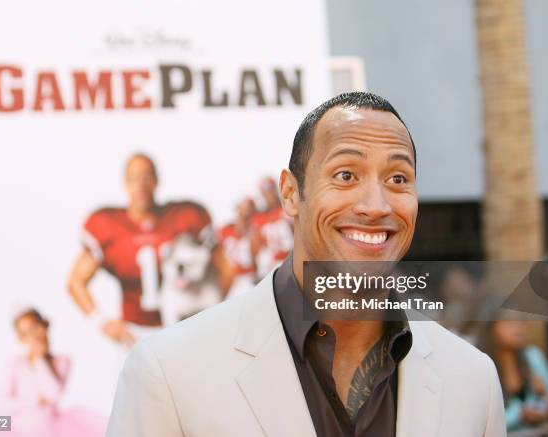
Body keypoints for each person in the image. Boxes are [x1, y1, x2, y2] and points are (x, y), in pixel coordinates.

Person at [106, 92, 505, 436]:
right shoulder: (168, 372)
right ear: (290, 193)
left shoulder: (472, 380)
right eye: (346, 175)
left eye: (398, 179)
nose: (375, 206)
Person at [67, 153, 227, 347]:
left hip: (184, 329)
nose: (141, 185)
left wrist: (209, 313)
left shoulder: (186, 216)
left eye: (147, 177)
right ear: (125, 182)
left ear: (157, 180)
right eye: (133, 178)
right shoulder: (107, 224)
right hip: (135, 333)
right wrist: (101, 322)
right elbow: (76, 281)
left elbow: (225, 268)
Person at [0, 308, 106, 436]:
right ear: (21, 339)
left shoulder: (62, 361)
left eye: (35, 327)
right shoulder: (16, 362)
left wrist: (40, 359)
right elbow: (2, 401)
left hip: (50, 428)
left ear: (44, 326)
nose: (34, 336)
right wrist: (33, 400)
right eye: (26, 333)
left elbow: (53, 394)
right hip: (18, 428)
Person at [479, 317, 548, 431]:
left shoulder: (533, 357)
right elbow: (481, 422)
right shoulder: (483, 365)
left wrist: (544, 395)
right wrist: (519, 415)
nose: (517, 327)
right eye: (508, 322)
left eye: (520, 321)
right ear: (492, 329)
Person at [251, 176, 294, 279]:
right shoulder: (259, 219)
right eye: (265, 193)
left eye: (270, 190)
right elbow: (255, 247)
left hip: (291, 262)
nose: (268, 195)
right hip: (271, 267)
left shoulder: (288, 209)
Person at [219, 197, 257, 297]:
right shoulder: (225, 230)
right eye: (241, 212)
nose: (243, 217)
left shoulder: (256, 232)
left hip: (248, 277)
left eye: (247, 214)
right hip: (230, 279)